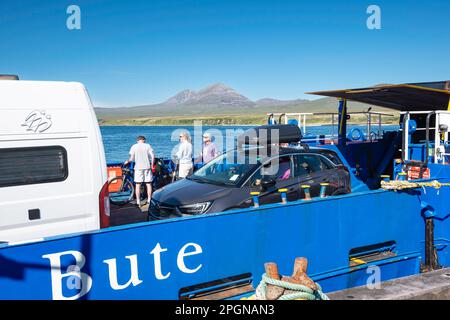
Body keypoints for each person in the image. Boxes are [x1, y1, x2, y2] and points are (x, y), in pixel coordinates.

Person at [124, 135, 154, 207]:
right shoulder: (148, 145)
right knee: (148, 184)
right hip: (147, 167)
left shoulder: (134, 146)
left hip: (138, 168)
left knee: (138, 185)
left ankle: (138, 202)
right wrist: (152, 165)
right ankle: (149, 201)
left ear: (137, 140)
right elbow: (153, 156)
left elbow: (131, 158)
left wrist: (127, 161)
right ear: (144, 140)